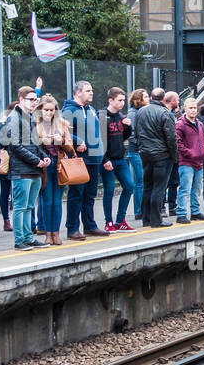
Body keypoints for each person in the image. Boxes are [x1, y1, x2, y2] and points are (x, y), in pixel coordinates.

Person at [0, 86, 47, 250]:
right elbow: (15, 145)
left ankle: (28, 237)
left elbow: (34, 142)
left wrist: (43, 156)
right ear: (21, 100)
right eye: (31, 99)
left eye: (36, 99)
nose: (35, 102)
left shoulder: (30, 117)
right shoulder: (14, 118)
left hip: (33, 169)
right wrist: (36, 160)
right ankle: (19, 240)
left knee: (29, 206)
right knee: (20, 206)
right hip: (21, 170)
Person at [61, 80, 109, 240]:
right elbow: (61, 129)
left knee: (90, 194)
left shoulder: (92, 109)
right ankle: (72, 228)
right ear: (78, 93)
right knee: (76, 195)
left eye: (91, 90)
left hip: (95, 159)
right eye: (88, 90)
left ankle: (90, 225)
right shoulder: (68, 110)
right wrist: (77, 141)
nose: (91, 93)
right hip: (79, 160)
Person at [134, 88, 178, 228]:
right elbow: (171, 138)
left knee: (147, 186)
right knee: (159, 187)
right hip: (162, 155)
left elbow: (137, 133)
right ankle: (156, 219)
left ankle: (146, 218)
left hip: (145, 153)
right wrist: (174, 156)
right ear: (163, 98)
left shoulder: (141, 111)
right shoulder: (165, 113)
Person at [35, 95, 72, 245]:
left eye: (52, 110)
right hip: (43, 166)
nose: (49, 113)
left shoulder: (61, 124)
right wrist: (41, 141)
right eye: (46, 110)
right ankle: (47, 233)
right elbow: (30, 146)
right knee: (46, 200)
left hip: (59, 164)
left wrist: (61, 140)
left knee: (57, 201)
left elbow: (70, 146)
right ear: (40, 110)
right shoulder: (35, 125)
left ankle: (56, 233)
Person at [100, 87, 136, 231]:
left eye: (123, 100)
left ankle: (120, 220)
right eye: (119, 100)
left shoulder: (120, 116)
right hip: (108, 159)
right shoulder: (102, 116)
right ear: (111, 100)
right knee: (108, 190)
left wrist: (127, 127)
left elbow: (124, 137)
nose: (122, 103)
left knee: (129, 186)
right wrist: (104, 160)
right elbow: (98, 140)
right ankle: (108, 221)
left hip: (120, 158)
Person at [174, 97, 204, 223]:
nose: (193, 110)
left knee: (197, 188)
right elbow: (178, 143)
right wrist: (190, 153)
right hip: (186, 162)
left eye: (195, 108)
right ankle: (181, 213)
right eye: (191, 108)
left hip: (199, 161)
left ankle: (195, 212)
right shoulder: (180, 124)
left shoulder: (200, 124)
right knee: (185, 188)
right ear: (185, 109)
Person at [125, 89, 147, 219]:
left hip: (143, 151)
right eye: (145, 96)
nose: (148, 98)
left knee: (143, 180)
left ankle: (143, 208)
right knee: (140, 181)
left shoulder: (141, 112)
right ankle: (139, 210)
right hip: (136, 151)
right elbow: (132, 135)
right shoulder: (133, 114)